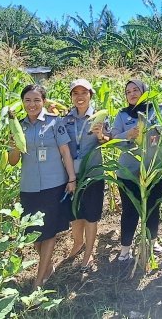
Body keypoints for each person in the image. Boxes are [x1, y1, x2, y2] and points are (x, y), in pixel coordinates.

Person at [8, 84, 77, 289]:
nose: (32, 104)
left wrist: (71, 179)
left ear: (44, 102)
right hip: (29, 186)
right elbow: (12, 161)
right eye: (28, 100)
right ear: (22, 102)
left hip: (54, 184)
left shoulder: (55, 123)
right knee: (35, 235)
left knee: (48, 232)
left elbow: (65, 152)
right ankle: (47, 267)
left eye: (37, 100)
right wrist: (13, 144)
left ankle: (39, 280)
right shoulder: (18, 126)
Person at [109, 79, 162, 262]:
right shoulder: (122, 115)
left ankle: (152, 242)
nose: (132, 94)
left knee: (153, 208)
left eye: (136, 90)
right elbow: (114, 138)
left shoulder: (159, 110)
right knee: (129, 210)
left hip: (154, 169)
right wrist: (128, 135)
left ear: (145, 91)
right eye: (128, 92)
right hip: (128, 172)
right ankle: (125, 249)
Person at [62, 78, 110, 271]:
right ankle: (77, 243)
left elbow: (107, 140)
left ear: (91, 95)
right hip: (72, 173)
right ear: (72, 97)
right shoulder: (66, 119)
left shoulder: (100, 117)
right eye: (76, 93)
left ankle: (89, 253)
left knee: (91, 215)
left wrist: (100, 136)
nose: (80, 97)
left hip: (93, 173)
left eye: (84, 93)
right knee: (75, 213)